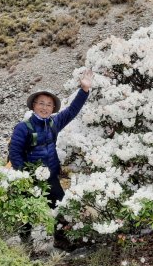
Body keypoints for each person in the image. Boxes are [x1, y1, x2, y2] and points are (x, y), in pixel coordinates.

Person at [9, 69, 93, 250]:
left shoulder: (54, 122)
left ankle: (62, 242)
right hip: (28, 179)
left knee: (61, 208)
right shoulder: (23, 128)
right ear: (33, 106)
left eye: (49, 104)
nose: (45, 107)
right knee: (27, 212)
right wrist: (25, 176)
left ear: (53, 108)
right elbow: (14, 153)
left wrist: (84, 90)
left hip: (51, 177)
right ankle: (26, 246)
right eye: (41, 103)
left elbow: (71, 111)